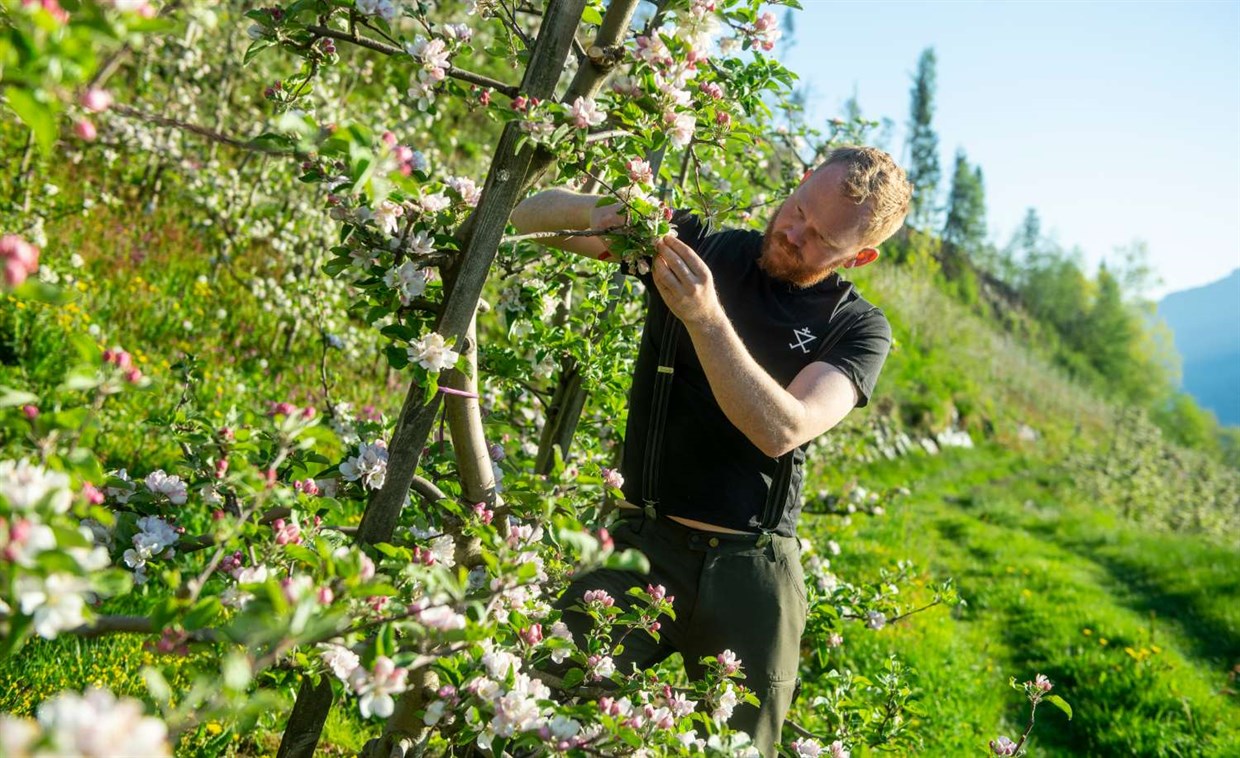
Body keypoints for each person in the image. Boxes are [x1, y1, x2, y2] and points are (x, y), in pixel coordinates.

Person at [510, 145, 912, 755]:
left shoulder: (857, 327)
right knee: (534, 707)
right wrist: (604, 215)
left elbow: (783, 429)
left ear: (859, 257)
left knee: (742, 749)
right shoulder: (704, 250)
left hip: (753, 573)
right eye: (797, 209)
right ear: (799, 182)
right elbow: (528, 216)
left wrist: (705, 318)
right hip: (642, 546)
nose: (793, 232)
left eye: (820, 237)